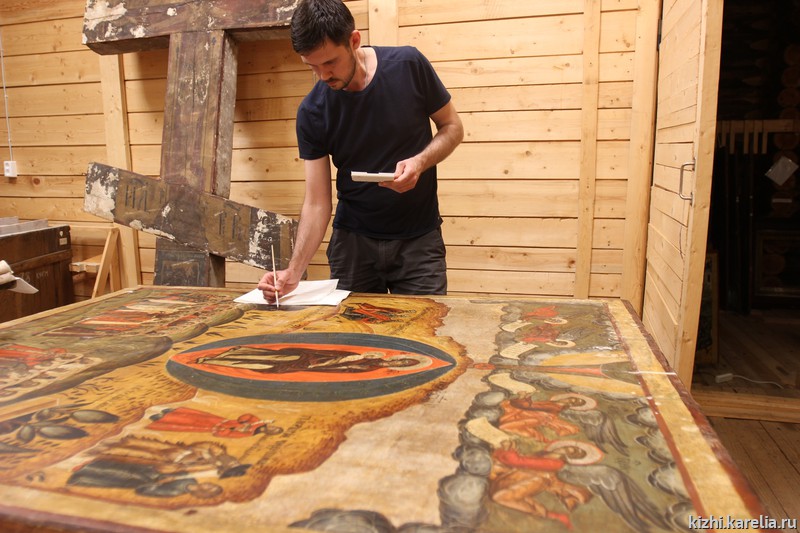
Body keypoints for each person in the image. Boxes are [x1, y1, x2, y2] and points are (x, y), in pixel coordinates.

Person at [258, 0, 463, 300]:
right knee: (349, 330)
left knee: (425, 328)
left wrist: (420, 162)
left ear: (354, 40)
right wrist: (293, 272)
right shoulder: (312, 111)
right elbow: (316, 203)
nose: (323, 75)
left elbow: (452, 127)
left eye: (330, 62)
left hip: (419, 240)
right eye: (312, 66)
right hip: (352, 245)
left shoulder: (408, 65)